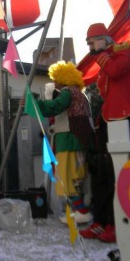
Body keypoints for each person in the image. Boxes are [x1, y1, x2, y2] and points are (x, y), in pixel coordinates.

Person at [80, 23, 130, 243]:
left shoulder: (125, 52)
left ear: (104, 39)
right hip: (109, 119)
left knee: (118, 173)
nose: (91, 47)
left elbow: (114, 71)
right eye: (90, 44)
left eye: (93, 42)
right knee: (101, 172)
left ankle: (118, 223)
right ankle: (101, 221)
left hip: (125, 118)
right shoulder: (108, 57)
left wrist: (100, 54)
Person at [26, 61, 94, 225]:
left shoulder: (67, 92)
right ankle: (79, 210)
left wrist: (35, 103)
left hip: (69, 139)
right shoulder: (80, 94)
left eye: (56, 79)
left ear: (64, 79)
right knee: (76, 176)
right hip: (80, 138)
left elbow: (55, 107)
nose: (54, 83)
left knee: (67, 175)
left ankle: (82, 212)